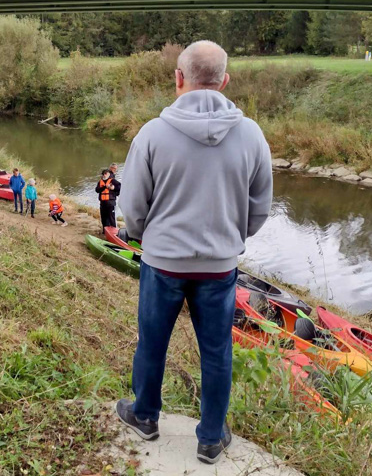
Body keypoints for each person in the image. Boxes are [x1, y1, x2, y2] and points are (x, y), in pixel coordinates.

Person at [115, 40, 273, 465]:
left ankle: (144, 416)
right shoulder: (252, 134)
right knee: (218, 349)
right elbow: (260, 208)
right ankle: (210, 437)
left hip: (162, 262)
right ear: (224, 81)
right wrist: (231, 238)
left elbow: (132, 208)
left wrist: (148, 238)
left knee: (152, 342)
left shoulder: (152, 133)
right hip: (220, 267)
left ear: (178, 78)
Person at [96, 168, 121, 233]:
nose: (104, 175)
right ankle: (105, 231)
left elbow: (120, 187)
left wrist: (113, 188)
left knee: (111, 218)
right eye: (103, 174)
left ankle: (114, 232)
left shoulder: (113, 181)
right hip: (103, 203)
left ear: (109, 174)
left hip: (110, 202)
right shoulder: (100, 182)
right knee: (104, 218)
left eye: (105, 173)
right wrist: (104, 187)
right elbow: (97, 190)